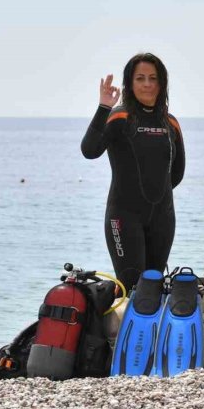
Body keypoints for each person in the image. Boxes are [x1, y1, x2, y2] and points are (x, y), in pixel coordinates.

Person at [81, 53, 185, 294]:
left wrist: (156, 195)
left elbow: (176, 174)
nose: (147, 84)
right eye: (140, 78)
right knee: (131, 287)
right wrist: (103, 107)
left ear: (162, 84)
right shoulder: (119, 116)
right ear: (130, 83)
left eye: (153, 78)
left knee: (155, 288)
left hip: (163, 218)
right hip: (124, 217)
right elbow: (89, 150)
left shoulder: (171, 123)